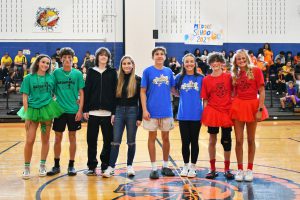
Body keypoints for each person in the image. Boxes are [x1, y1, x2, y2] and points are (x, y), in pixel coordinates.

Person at [17, 54, 64, 179]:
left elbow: (56, 92)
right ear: (38, 63)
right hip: (32, 110)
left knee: (45, 139)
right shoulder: (28, 78)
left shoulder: (51, 78)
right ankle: (26, 167)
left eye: (48, 63)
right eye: (43, 62)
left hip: (47, 110)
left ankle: (42, 165)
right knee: (30, 140)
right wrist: (27, 116)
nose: (45, 65)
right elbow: (25, 97)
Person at [231, 49, 269, 182]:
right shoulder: (234, 74)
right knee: (239, 140)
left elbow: (262, 91)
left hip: (253, 105)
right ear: (235, 61)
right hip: (238, 106)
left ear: (247, 59)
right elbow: (232, 93)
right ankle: (240, 169)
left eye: (243, 58)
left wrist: (260, 109)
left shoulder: (256, 71)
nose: (241, 61)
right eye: (238, 59)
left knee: (251, 140)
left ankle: (250, 169)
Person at [102, 55, 142, 178]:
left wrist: (139, 117)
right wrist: (113, 113)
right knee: (115, 141)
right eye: (124, 64)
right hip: (118, 112)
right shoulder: (117, 79)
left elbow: (141, 100)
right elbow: (114, 99)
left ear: (132, 65)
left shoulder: (137, 79)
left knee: (131, 141)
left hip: (133, 112)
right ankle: (111, 167)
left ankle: (129, 165)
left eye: (129, 63)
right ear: (121, 65)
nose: (126, 66)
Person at [47, 47, 85, 176]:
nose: (67, 60)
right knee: (57, 138)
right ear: (61, 59)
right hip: (59, 111)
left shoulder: (78, 74)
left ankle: (71, 165)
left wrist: (80, 110)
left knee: (72, 136)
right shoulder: (56, 73)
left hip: (73, 111)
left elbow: (81, 92)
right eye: (65, 58)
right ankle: (56, 165)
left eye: (70, 57)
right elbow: (50, 88)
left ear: (73, 59)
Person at [141, 46, 176, 179]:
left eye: (162, 54)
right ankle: (154, 167)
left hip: (166, 110)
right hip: (151, 111)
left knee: (166, 138)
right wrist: (144, 109)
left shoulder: (168, 71)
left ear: (165, 57)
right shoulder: (147, 71)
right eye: (157, 54)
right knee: (152, 137)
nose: (159, 56)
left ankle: (165, 166)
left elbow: (173, 89)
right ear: (153, 57)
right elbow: (143, 91)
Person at [83, 47, 117, 175]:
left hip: (108, 113)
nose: (103, 57)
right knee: (91, 140)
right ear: (97, 57)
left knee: (107, 141)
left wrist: (114, 112)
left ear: (108, 58)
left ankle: (105, 164)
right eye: (101, 55)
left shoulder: (112, 72)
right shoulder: (91, 72)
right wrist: (86, 108)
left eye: (105, 55)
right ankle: (92, 166)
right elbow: (87, 91)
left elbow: (115, 93)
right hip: (93, 113)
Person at [201, 52, 234, 180]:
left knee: (226, 141)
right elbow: (205, 99)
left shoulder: (229, 77)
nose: (215, 63)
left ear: (221, 63)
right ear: (210, 64)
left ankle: (227, 169)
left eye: (217, 61)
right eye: (212, 61)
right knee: (212, 140)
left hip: (226, 111)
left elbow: (235, 91)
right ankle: (212, 169)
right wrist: (206, 114)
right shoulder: (206, 79)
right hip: (213, 111)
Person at [175, 53, 203, 178]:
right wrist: (177, 94)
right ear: (183, 64)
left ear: (195, 63)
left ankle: (193, 166)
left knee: (194, 141)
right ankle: (185, 165)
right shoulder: (179, 77)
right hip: (183, 115)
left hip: (197, 114)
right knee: (185, 142)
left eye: (192, 61)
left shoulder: (201, 78)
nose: (189, 64)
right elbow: (172, 88)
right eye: (187, 61)